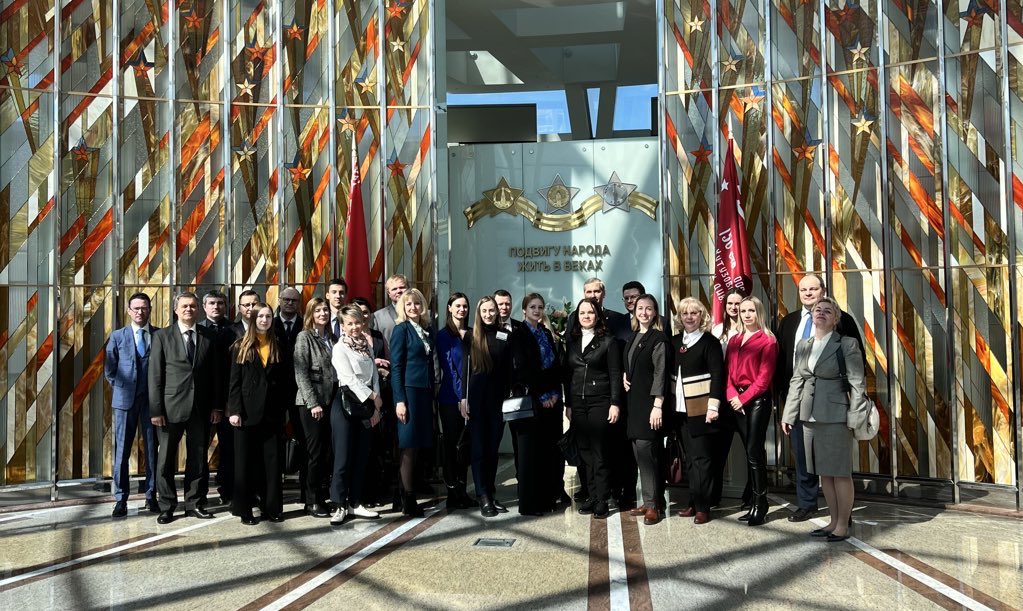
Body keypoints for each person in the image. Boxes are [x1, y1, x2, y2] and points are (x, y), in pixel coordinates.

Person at [774, 273, 864, 522]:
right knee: (807, 462)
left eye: (813, 289)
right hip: (803, 406)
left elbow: (857, 373)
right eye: (804, 290)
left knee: (836, 468)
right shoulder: (790, 322)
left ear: (823, 290)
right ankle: (808, 504)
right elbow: (789, 369)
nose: (809, 294)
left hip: (834, 409)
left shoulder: (842, 323)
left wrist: (855, 413)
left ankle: (842, 518)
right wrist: (787, 407)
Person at [148, 292, 223, 524]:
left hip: (200, 408)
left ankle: (194, 503)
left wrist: (217, 406)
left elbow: (216, 376)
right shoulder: (162, 336)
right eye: (184, 306)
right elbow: (155, 375)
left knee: (198, 458)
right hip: (170, 409)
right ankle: (167, 506)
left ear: (198, 309)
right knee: (165, 460)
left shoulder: (208, 336)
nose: (188, 309)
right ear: (176, 309)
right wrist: (156, 410)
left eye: (192, 306)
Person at [226, 303, 286, 524]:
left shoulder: (278, 344)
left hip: (271, 413)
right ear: (252, 319)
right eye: (260, 316)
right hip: (246, 413)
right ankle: (245, 510)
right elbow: (234, 382)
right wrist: (234, 410)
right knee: (245, 463)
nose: (264, 320)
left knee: (271, 463)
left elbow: (284, 380)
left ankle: (271, 508)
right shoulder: (241, 346)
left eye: (268, 316)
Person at [564, 298, 623, 519]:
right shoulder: (572, 342)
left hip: (600, 401)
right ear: (577, 317)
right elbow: (568, 376)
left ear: (598, 315)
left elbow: (615, 374)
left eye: (590, 312)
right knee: (585, 452)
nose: (586, 316)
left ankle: (602, 499)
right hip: (578, 403)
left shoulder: (608, 341)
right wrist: (569, 405)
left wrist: (615, 403)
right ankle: (591, 494)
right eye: (582, 313)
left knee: (599, 452)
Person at [670, 297, 726, 524]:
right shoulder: (674, 343)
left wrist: (713, 406)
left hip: (702, 410)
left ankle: (704, 506)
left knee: (702, 459)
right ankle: (693, 502)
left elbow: (718, 376)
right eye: (685, 313)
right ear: (680, 317)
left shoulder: (709, 342)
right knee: (690, 460)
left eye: (694, 313)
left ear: (702, 316)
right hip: (680, 411)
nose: (690, 317)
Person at [104, 292, 160, 518]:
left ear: (150, 310)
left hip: (152, 402)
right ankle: (121, 498)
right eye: (136, 308)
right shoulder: (117, 336)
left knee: (152, 450)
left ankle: (151, 495)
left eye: (144, 308)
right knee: (122, 451)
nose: (140, 312)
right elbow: (109, 369)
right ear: (128, 311)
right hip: (125, 401)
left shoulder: (159, 335)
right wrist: (123, 386)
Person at [510, 293, 567, 515]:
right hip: (532, 401)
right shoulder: (519, 334)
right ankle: (530, 504)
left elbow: (555, 367)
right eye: (532, 307)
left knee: (547, 454)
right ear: (524, 310)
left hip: (551, 402)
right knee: (529, 456)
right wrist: (543, 393)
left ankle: (547, 499)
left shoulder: (545, 333)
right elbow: (523, 370)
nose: (537, 310)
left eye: (540, 307)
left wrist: (553, 393)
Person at [725, 296, 778, 526]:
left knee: (754, 452)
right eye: (743, 310)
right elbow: (727, 372)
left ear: (759, 314)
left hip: (757, 400)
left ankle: (761, 502)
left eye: (751, 311)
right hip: (736, 399)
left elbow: (764, 380)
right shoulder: (735, 340)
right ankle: (752, 500)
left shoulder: (768, 341)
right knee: (749, 452)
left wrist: (743, 399)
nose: (746, 314)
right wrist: (732, 396)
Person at [331, 305, 385, 524]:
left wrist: (376, 406)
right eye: (349, 324)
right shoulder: (339, 348)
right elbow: (349, 379)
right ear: (342, 326)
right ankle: (339, 505)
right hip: (346, 404)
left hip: (367, 404)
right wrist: (373, 397)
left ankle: (355, 502)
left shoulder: (367, 347)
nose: (354, 327)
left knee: (362, 455)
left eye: (357, 323)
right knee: (343, 458)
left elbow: (374, 376)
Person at [461, 296, 513, 517]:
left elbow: (509, 369)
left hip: (498, 401)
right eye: (485, 311)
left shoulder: (505, 336)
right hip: (476, 401)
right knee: (479, 449)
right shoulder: (470, 337)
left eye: (492, 310)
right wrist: (463, 400)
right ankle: (482, 495)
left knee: (493, 450)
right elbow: (464, 370)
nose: (489, 314)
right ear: (479, 313)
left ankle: (490, 492)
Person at [622, 294, 669, 525]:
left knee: (647, 454)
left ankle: (653, 507)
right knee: (640, 454)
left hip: (650, 405)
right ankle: (652, 499)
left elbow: (660, 373)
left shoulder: (658, 338)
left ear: (655, 312)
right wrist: (624, 375)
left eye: (648, 308)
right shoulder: (633, 337)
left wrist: (658, 405)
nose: (644, 312)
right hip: (634, 404)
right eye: (640, 308)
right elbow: (631, 365)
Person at [389, 288, 435, 516]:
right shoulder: (401, 330)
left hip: (424, 393)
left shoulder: (424, 330)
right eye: (408, 305)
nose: (413, 308)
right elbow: (396, 366)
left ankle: (403, 495)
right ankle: (408, 500)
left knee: (416, 446)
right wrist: (399, 400)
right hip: (408, 393)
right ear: (403, 308)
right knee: (407, 446)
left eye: (417, 303)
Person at [292, 298, 337, 518]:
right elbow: (301, 373)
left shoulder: (333, 338)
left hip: (330, 402)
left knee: (326, 452)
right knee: (314, 453)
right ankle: (311, 501)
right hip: (312, 405)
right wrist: (313, 403)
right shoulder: (304, 337)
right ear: (310, 313)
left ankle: (322, 496)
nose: (323, 313)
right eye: (318, 310)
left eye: (325, 310)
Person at [352, 296, 395, 507]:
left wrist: (383, 368)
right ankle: (362, 494)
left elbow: (389, 360)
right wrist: (372, 363)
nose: (362, 316)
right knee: (361, 448)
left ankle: (377, 491)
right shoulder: (348, 337)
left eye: (366, 312)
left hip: (380, 395)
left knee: (379, 446)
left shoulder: (377, 336)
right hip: (358, 398)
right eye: (358, 313)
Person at [436, 293, 474, 509]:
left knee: (465, 447)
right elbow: (449, 370)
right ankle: (452, 492)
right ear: (449, 308)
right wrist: (461, 398)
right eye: (458, 306)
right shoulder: (444, 336)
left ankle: (462, 489)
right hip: (451, 399)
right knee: (452, 446)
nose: (462, 309)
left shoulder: (470, 334)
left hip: (469, 399)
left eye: (465, 306)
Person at [199, 289, 236, 505]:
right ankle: (200, 494)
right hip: (202, 400)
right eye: (212, 303)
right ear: (204, 307)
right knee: (199, 449)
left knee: (228, 448)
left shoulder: (233, 330)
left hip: (228, 399)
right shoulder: (199, 330)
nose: (216, 307)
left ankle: (227, 489)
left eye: (220, 303)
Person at [373, 274, 409, 343]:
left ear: (408, 289)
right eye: (394, 289)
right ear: (389, 293)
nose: (399, 291)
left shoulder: (421, 313)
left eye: (402, 287)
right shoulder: (378, 316)